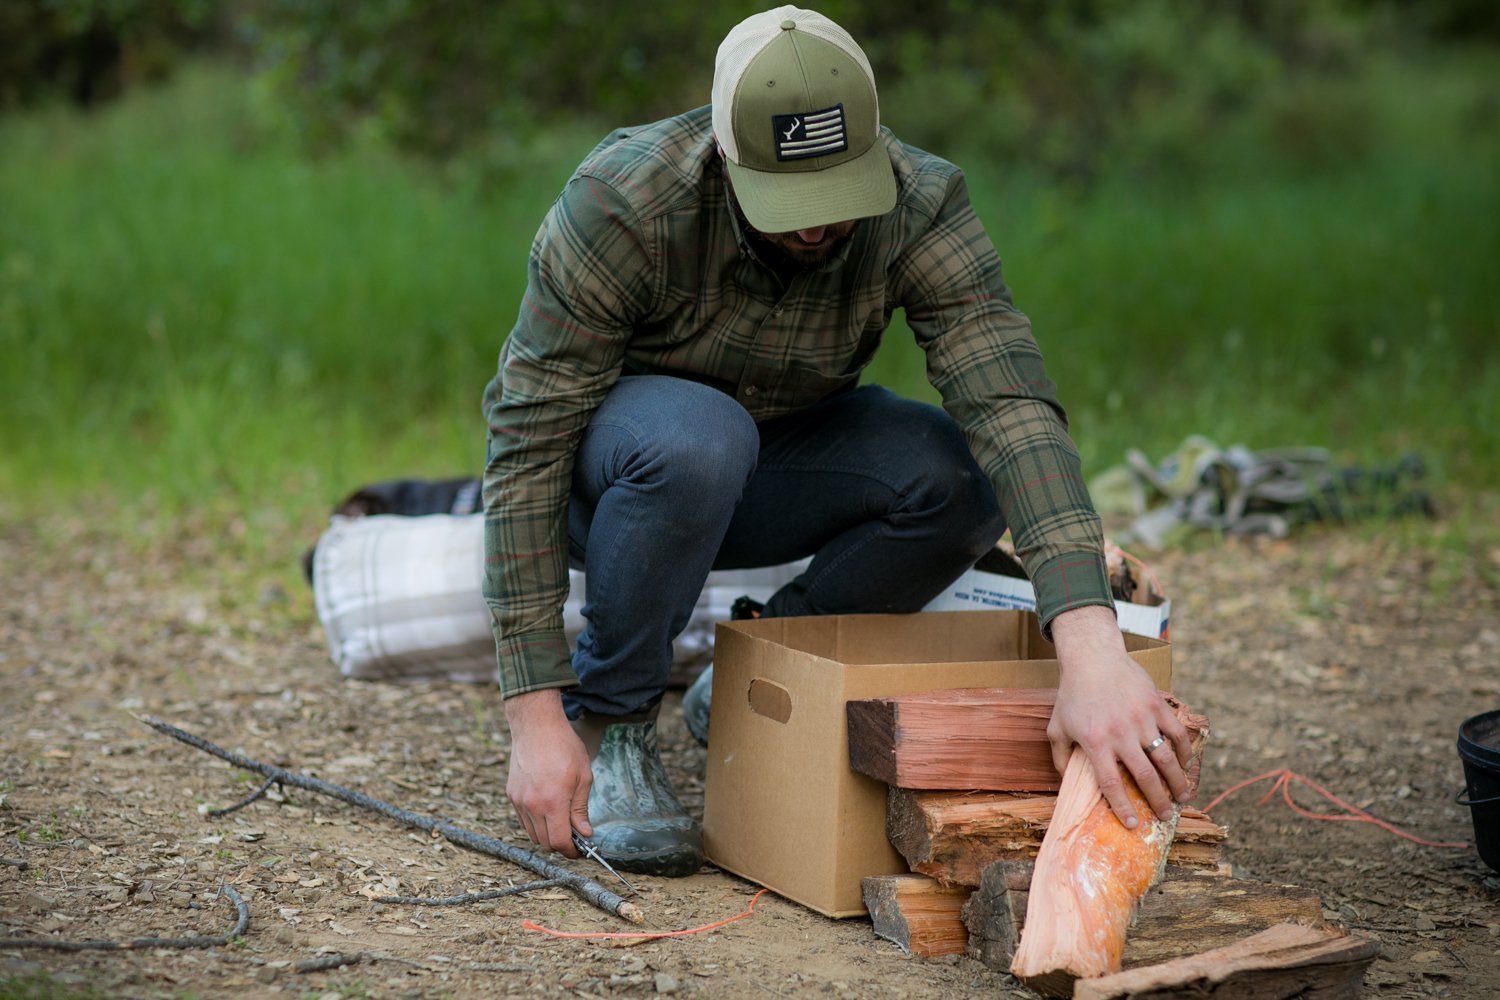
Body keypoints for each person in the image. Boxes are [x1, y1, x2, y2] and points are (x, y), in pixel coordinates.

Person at [481, 5, 1194, 877]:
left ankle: (756, 672)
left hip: (776, 469)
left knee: (962, 473)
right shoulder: (624, 203)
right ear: (725, 154)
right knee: (700, 438)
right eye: (789, 204)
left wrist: (1092, 649)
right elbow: (528, 445)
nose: (815, 230)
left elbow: (1009, 404)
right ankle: (620, 717)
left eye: (836, 199)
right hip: (625, 483)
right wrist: (536, 715)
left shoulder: (921, 202)